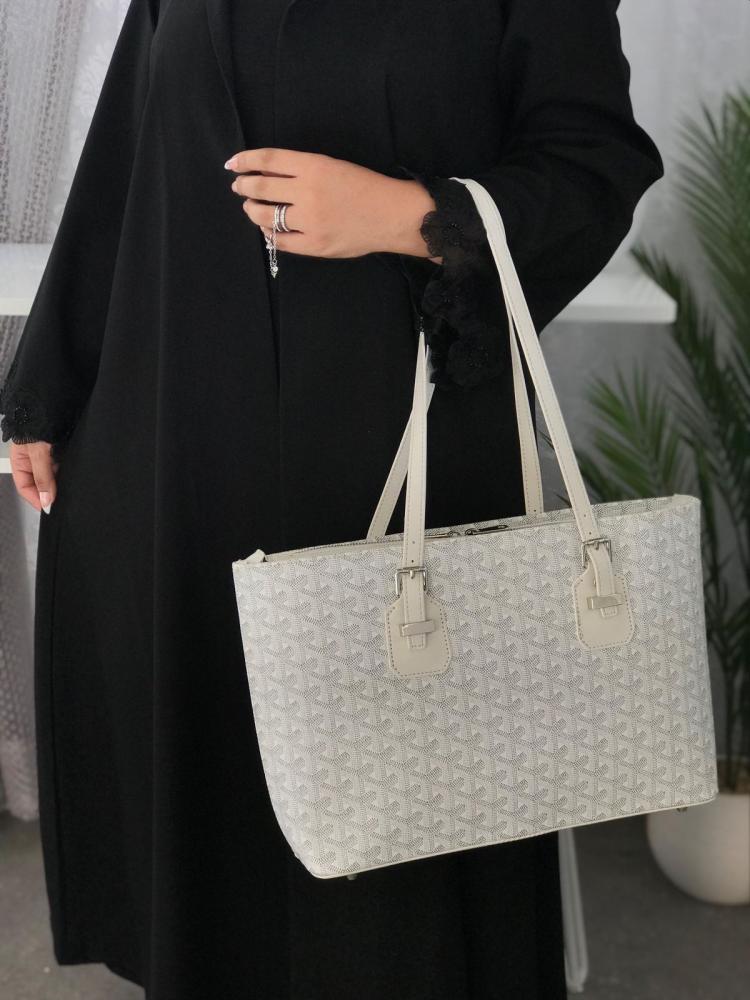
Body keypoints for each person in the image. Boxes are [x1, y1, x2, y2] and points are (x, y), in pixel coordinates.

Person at [0, 1, 664, 997]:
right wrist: (50, 382)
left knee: (403, 822)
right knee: (219, 793)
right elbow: (129, 159)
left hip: (400, 449)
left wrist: (404, 214)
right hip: (187, 446)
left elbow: (594, 165)